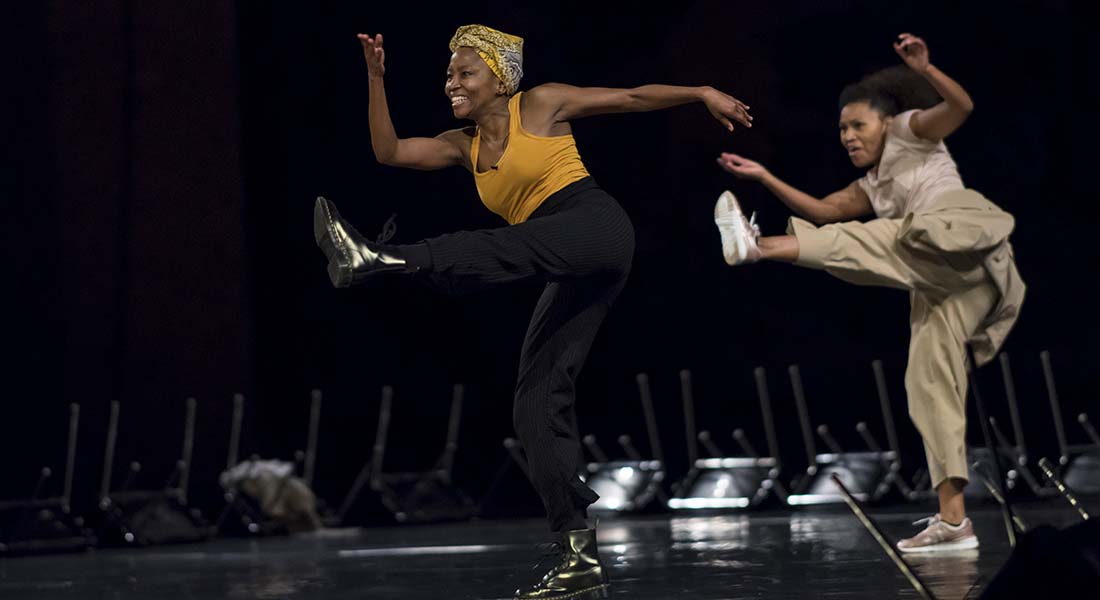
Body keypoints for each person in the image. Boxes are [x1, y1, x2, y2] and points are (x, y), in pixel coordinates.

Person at [314, 25, 752, 598]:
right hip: (560, 256)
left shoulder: (539, 104)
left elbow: (631, 97)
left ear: (500, 79)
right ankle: (577, 552)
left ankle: (383, 258)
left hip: (594, 227)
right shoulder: (459, 145)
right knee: (535, 400)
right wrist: (375, 78)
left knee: (498, 247)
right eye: (449, 75)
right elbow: (389, 151)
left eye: (465, 73)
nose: (453, 83)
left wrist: (700, 91)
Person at [713, 33, 1024, 553]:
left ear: (886, 121)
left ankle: (759, 246)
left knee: (892, 236)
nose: (848, 136)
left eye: (858, 125)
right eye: (842, 129)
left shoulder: (912, 131)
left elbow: (961, 106)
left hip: (961, 238)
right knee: (928, 387)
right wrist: (765, 175)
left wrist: (927, 69)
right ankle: (955, 524)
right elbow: (822, 212)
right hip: (946, 284)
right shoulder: (871, 185)